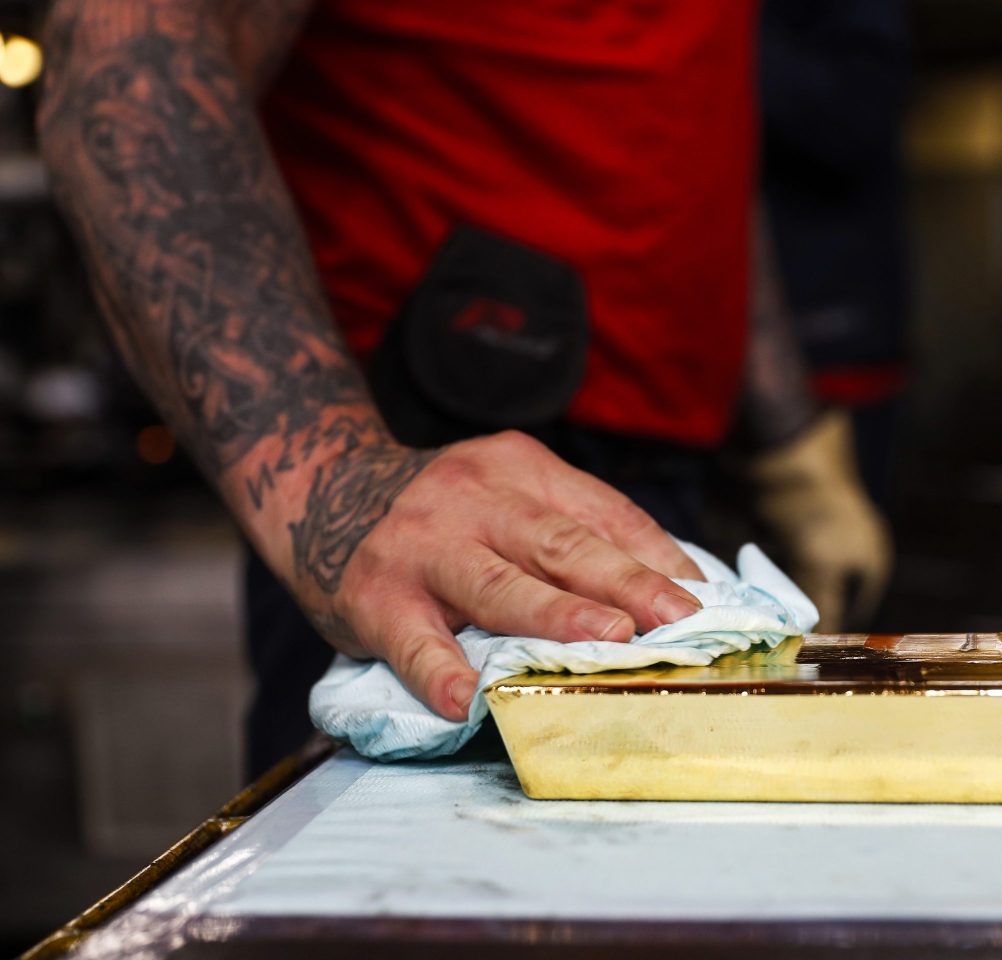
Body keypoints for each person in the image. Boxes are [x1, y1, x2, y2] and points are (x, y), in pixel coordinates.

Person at [39, 0, 889, 776]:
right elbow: (130, 55)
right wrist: (337, 477)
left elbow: (692, 119)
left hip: (658, 466)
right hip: (435, 486)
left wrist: (788, 442)